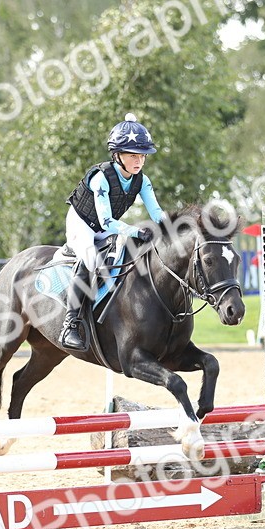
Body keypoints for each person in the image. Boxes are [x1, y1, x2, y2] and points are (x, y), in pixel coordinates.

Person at [59, 113, 165, 351]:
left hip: (107, 228)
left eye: (142, 156)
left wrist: (177, 227)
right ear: (117, 156)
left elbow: (157, 213)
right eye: (132, 155)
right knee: (90, 258)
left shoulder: (142, 181)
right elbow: (106, 222)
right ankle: (71, 323)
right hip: (82, 225)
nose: (139, 161)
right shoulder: (101, 178)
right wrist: (136, 231)